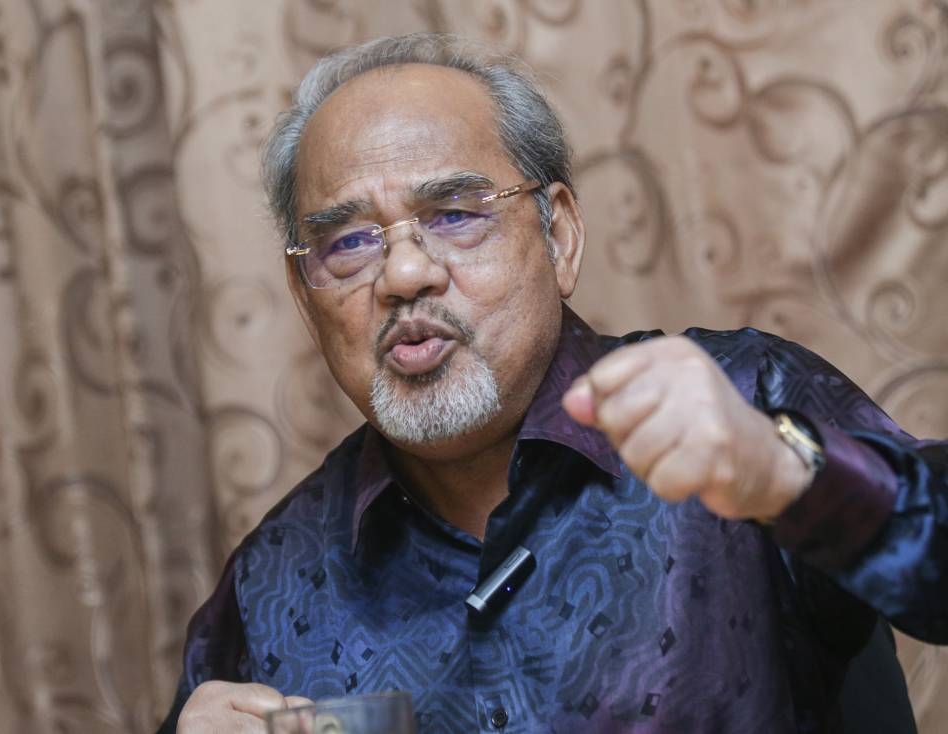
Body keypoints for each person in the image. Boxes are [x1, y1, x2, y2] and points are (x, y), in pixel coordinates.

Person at [159, 33, 946, 733]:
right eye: (351, 242)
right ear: (306, 299)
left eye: (455, 214)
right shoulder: (273, 585)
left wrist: (788, 472)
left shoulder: (741, 395)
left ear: (560, 234)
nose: (402, 273)